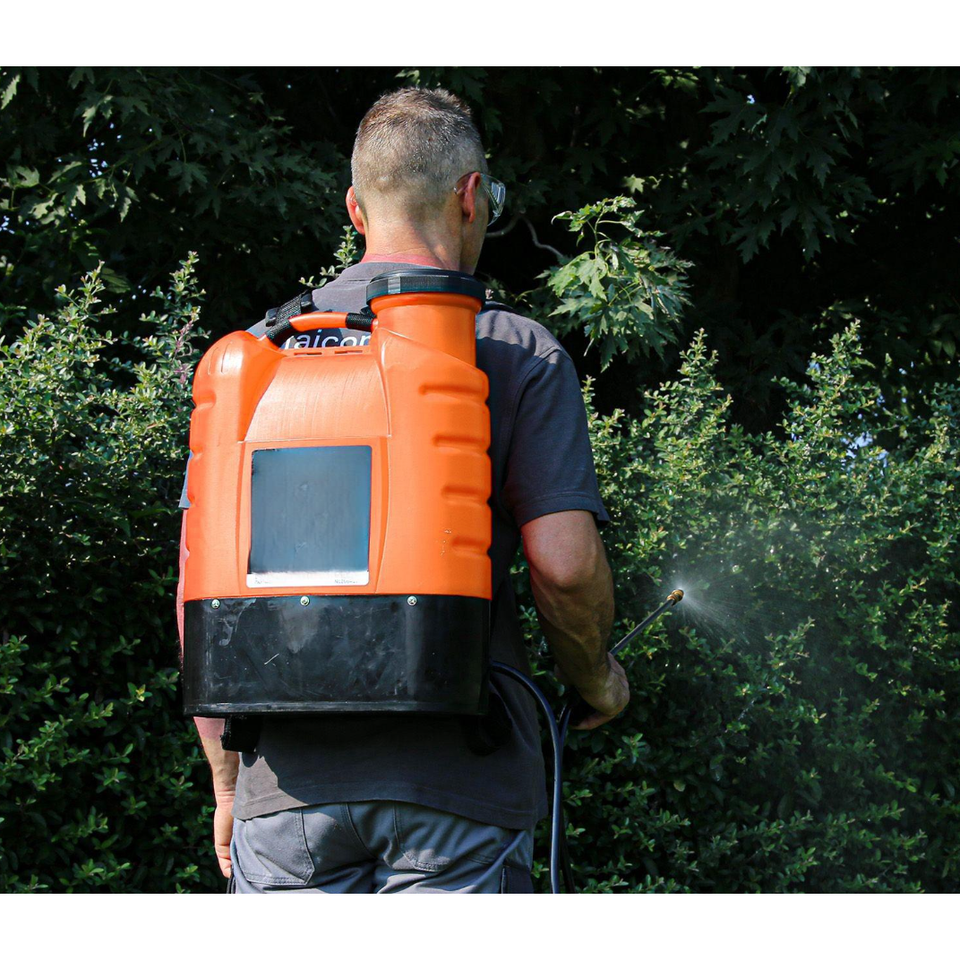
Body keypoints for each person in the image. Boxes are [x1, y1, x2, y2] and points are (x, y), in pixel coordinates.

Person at [177, 87, 628, 894]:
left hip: (284, 799)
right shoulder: (516, 350)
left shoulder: (251, 361)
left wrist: (227, 783)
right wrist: (597, 678)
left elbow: (197, 591)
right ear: (471, 197)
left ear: (355, 208)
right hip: (459, 788)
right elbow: (563, 565)